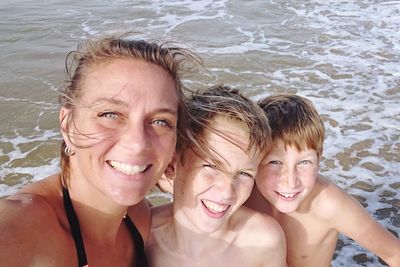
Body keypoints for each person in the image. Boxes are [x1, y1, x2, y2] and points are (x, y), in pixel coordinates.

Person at [0, 33, 200, 266]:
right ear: (68, 124)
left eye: (160, 121)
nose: (138, 144)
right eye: (110, 114)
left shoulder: (139, 217)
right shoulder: (21, 230)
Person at [245, 94, 400, 267]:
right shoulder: (241, 194)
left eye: (304, 162)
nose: (290, 181)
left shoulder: (329, 204)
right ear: (254, 159)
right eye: (274, 162)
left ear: (319, 159)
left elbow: (394, 254)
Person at [146, 85, 287, 267]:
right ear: (173, 165)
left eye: (244, 173)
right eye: (211, 166)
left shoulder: (262, 241)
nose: (227, 191)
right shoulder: (145, 237)